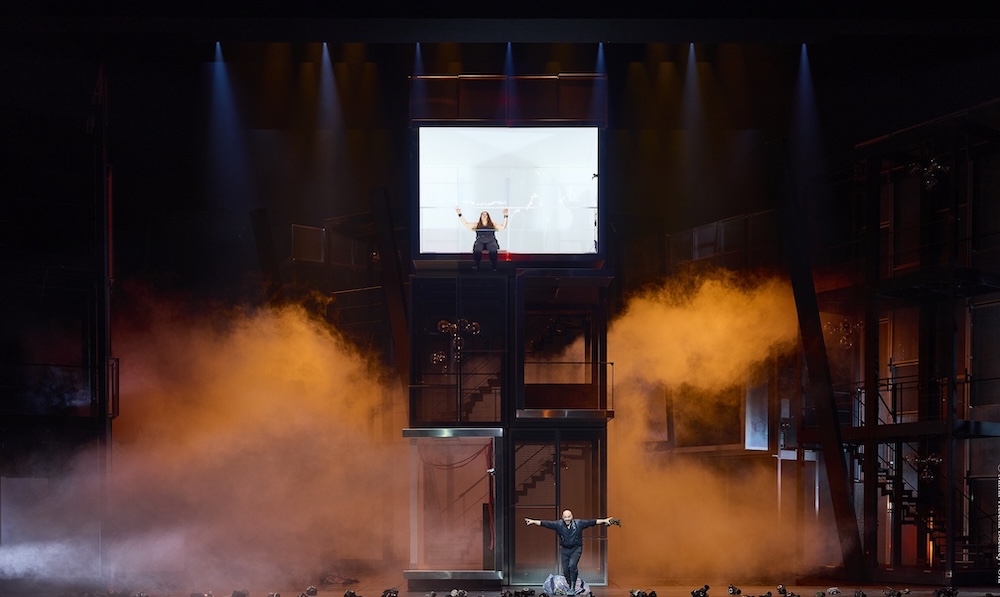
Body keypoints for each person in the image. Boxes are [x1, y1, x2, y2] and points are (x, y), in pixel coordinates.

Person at [524, 509, 618, 595]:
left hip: (576, 548)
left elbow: (592, 522)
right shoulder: (559, 524)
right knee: (565, 570)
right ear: (562, 517)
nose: (567, 519)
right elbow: (545, 523)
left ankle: (572, 587)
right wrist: (533, 521)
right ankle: (570, 585)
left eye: (569, 517)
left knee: (572, 565)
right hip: (564, 549)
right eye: (565, 517)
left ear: (572, 516)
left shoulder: (579, 523)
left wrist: (605, 520)